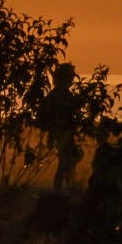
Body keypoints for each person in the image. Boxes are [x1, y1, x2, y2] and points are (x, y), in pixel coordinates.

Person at [42, 63, 83, 192]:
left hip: (65, 133)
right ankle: (61, 191)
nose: (71, 81)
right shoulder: (60, 96)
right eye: (70, 78)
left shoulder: (60, 95)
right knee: (65, 163)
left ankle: (64, 189)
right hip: (62, 133)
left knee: (68, 161)